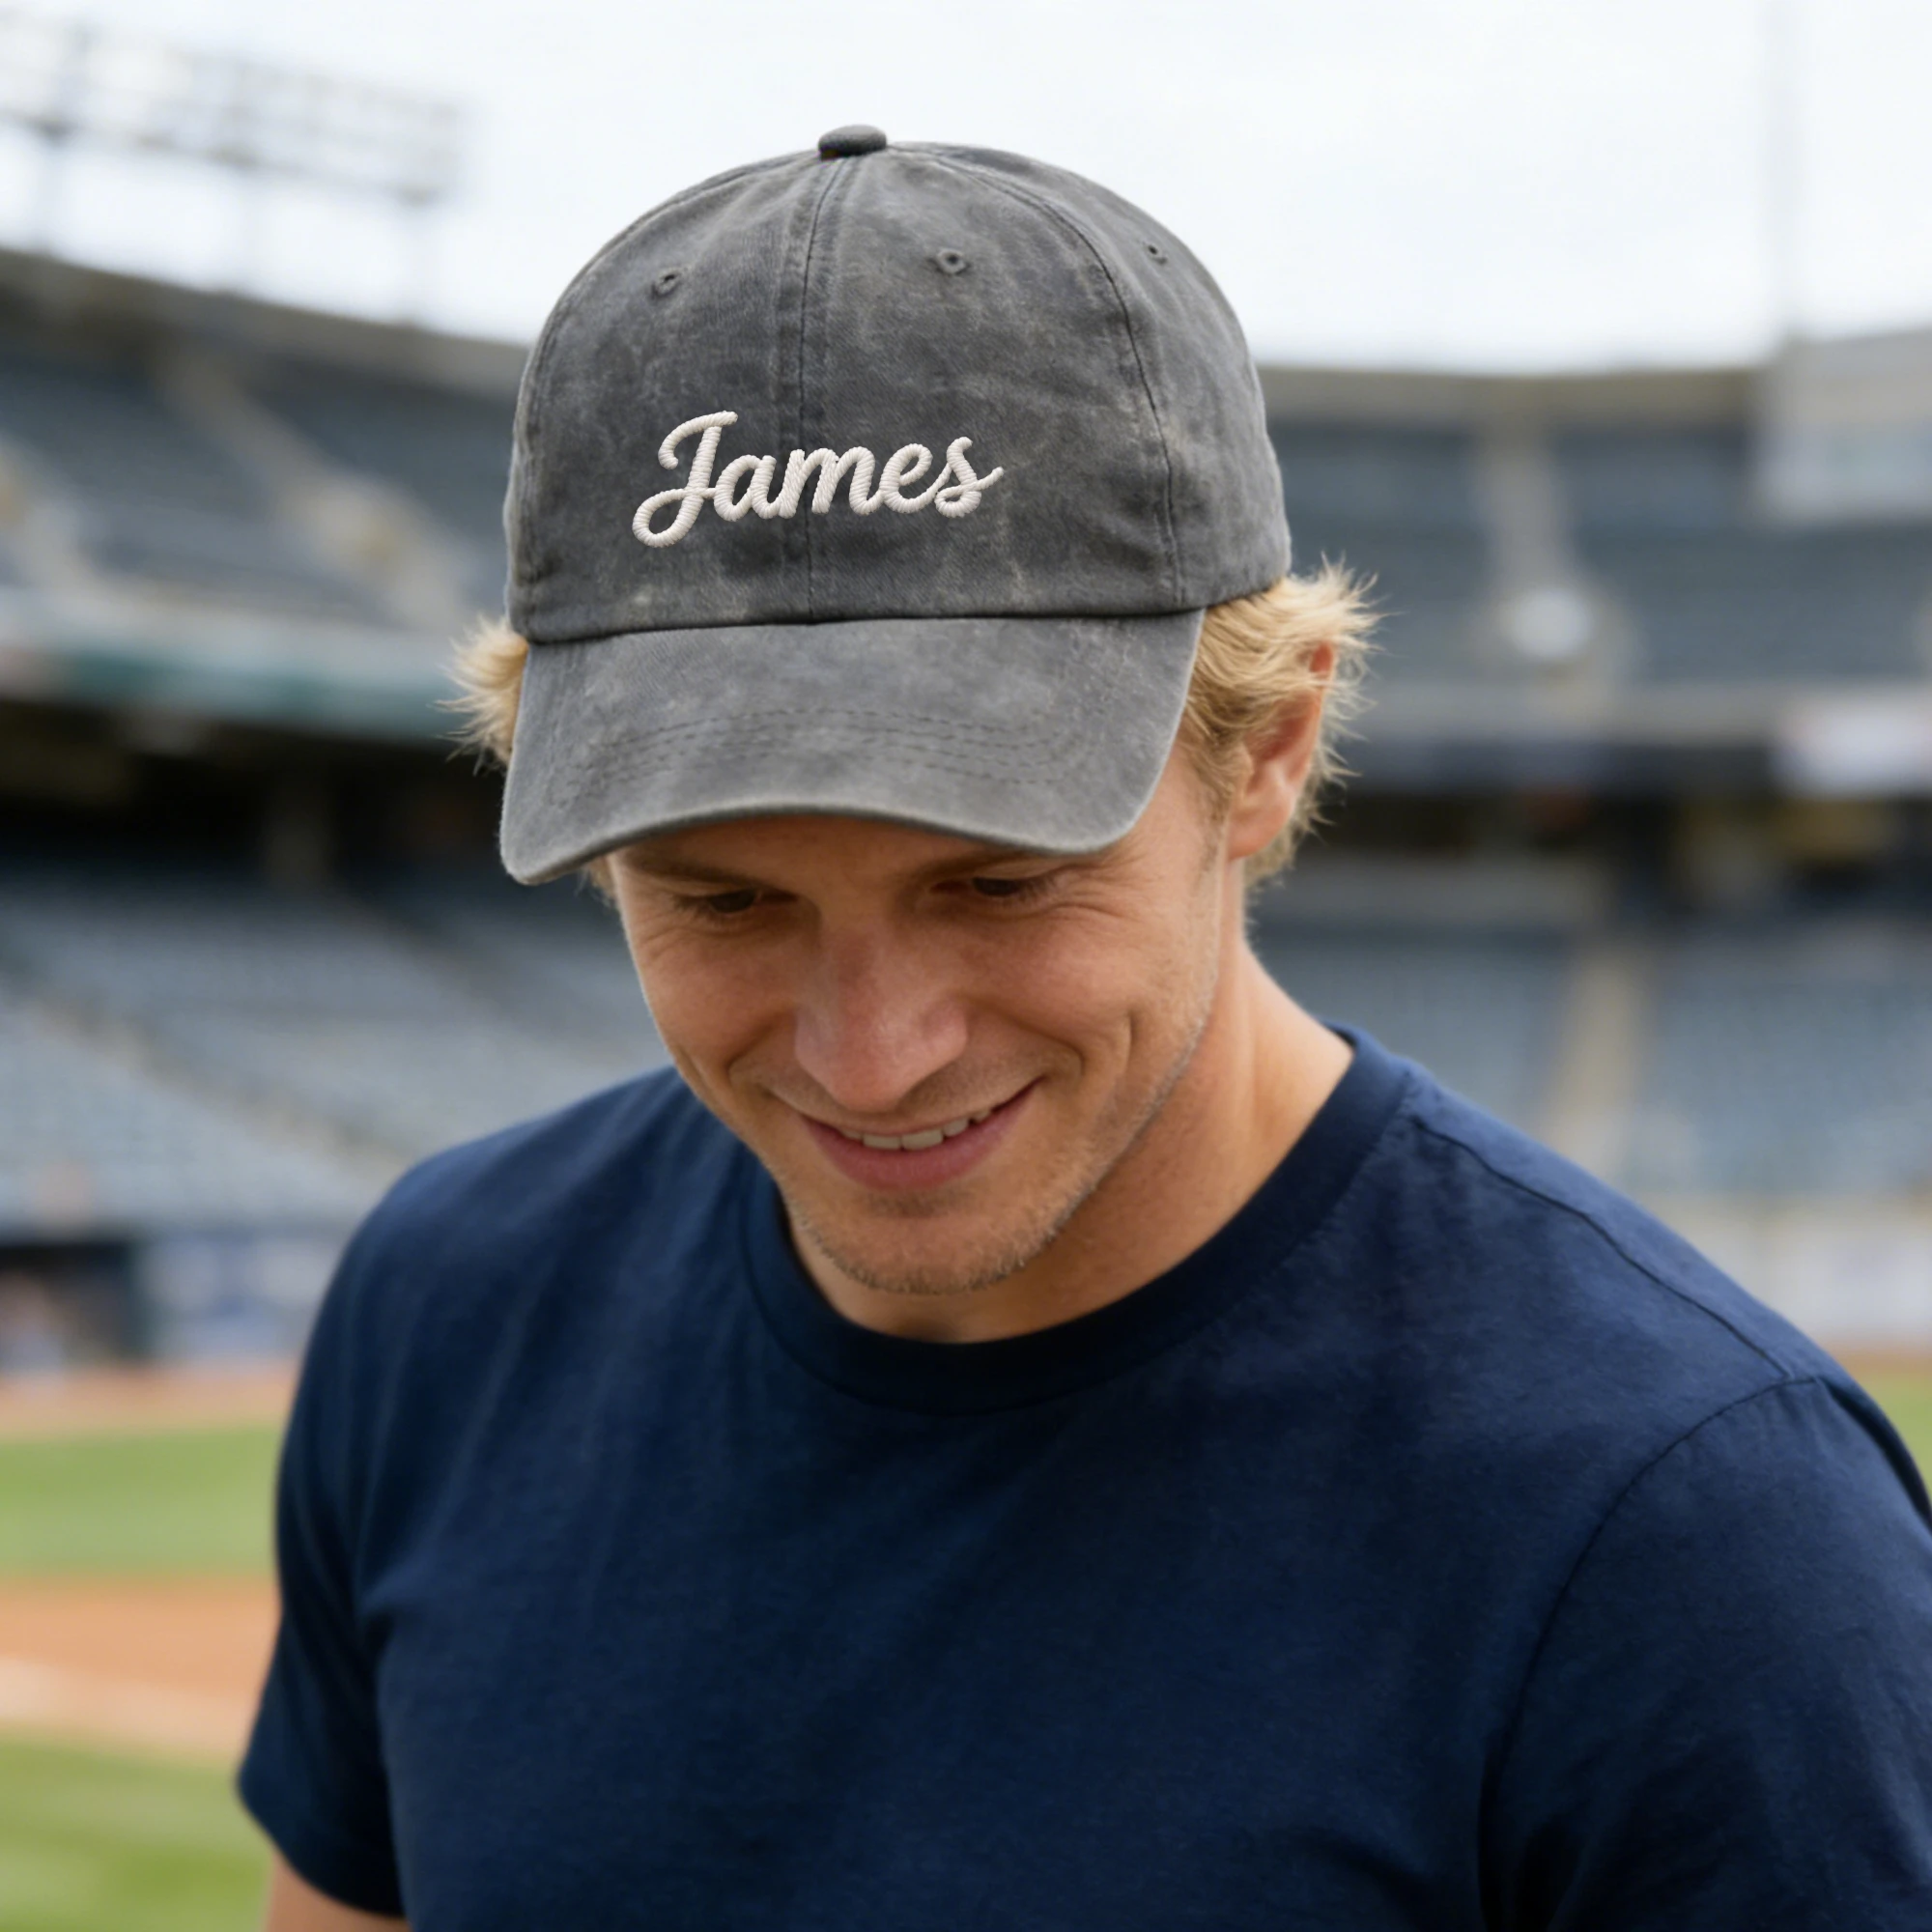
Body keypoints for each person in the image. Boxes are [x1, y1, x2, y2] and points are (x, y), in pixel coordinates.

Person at [242, 128, 1932, 1931]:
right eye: (721, 898)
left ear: (1269, 750)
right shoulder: (446, 1313)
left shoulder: (1702, 1535)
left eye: (1001, 882)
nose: (870, 1053)